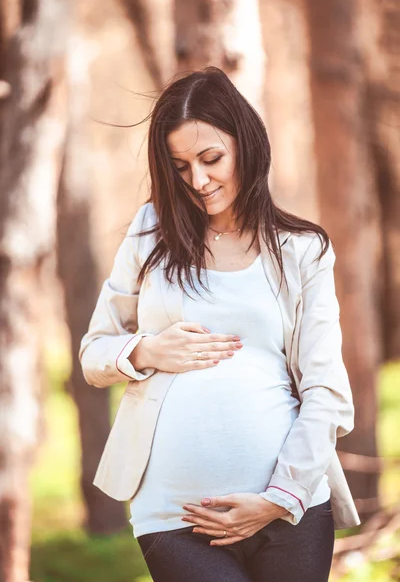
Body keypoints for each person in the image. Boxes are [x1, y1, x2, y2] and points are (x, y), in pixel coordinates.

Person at [79, 66, 360, 582]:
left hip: (289, 511)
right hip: (175, 516)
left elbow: (326, 390)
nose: (199, 181)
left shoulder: (302, 250)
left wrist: (280, 498)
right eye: (181, 167)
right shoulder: (150, 234)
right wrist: (146, 352)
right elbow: (95, 352)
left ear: (246, 145)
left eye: (211, 159)